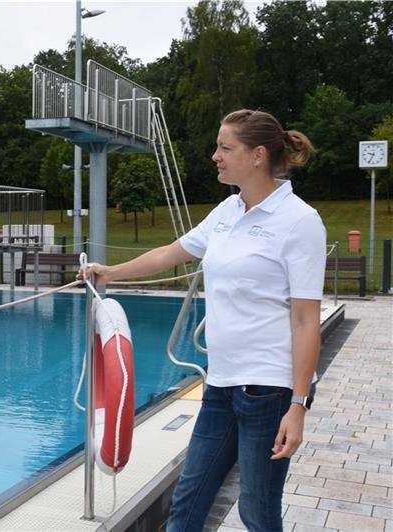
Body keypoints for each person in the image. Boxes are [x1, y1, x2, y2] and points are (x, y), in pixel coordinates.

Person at [81, 109, 325, 532]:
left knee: (257, 511)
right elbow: (170, 253)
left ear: (258, 156)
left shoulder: (299, 221)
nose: (215, 156)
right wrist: (111, 272)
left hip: (268, 391)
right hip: (221, 384)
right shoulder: (228, 211)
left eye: (225, 147)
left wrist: (297, 406)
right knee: (188, 504)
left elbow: (306, 321)